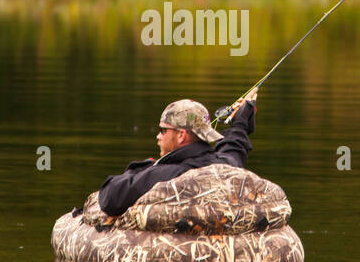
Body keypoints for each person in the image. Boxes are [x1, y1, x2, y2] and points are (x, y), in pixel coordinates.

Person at [95, 89, 259, 217]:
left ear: (181, 135)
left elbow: (111, 197)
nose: (158, 136)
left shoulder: (168, 173)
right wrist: (241, 121)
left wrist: (144, 168)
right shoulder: (225, 166)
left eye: (163, 130)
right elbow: (234, 149)